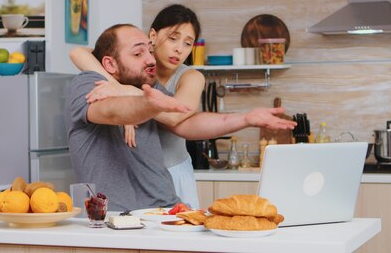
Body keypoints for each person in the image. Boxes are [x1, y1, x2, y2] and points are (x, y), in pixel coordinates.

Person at [65, 24, 295, 211]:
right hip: (115, 219)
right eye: (138, 53)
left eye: (149, 50)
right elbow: (110, 111)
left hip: (167, 210)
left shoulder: (145, 86)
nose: (151, 60)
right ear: (109, 64)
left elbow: (185, 122)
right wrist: (144, 103)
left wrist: (247, 118)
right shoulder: (86, 84)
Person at [69, 4, 205, 208]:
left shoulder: (190, 77)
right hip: (139, 178)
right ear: (153, 36)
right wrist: (126, 105)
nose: (179, 49)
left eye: (188, 43)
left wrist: (129, 94)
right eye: (173, 38)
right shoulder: (132, 70)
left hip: (174, 172)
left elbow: (175, 116)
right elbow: (79, 52)